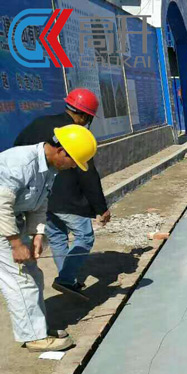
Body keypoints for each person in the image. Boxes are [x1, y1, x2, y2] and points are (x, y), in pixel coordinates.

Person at [0, 125, 98, 352]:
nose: (73, 167)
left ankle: (37, 329)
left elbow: (40, 203)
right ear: (61, 151)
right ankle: (34, 338)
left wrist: (37, 234)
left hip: (12, 222)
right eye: (74, 161)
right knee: (21, 279)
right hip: (4, 223)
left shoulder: (48, 168)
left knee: (34, 276)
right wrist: (16, 243)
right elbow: (1, 205)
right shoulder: (20, 164)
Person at [14, 88, 110, 302]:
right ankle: (66, 278)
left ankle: (68, 280)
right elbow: (88, 174)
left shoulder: (39, 123)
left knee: (57, 237)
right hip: (67, 198)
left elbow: (18, 148)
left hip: (40, 198)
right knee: (85, 236)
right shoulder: (75, 135)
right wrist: (101, 207)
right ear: (84, 116)